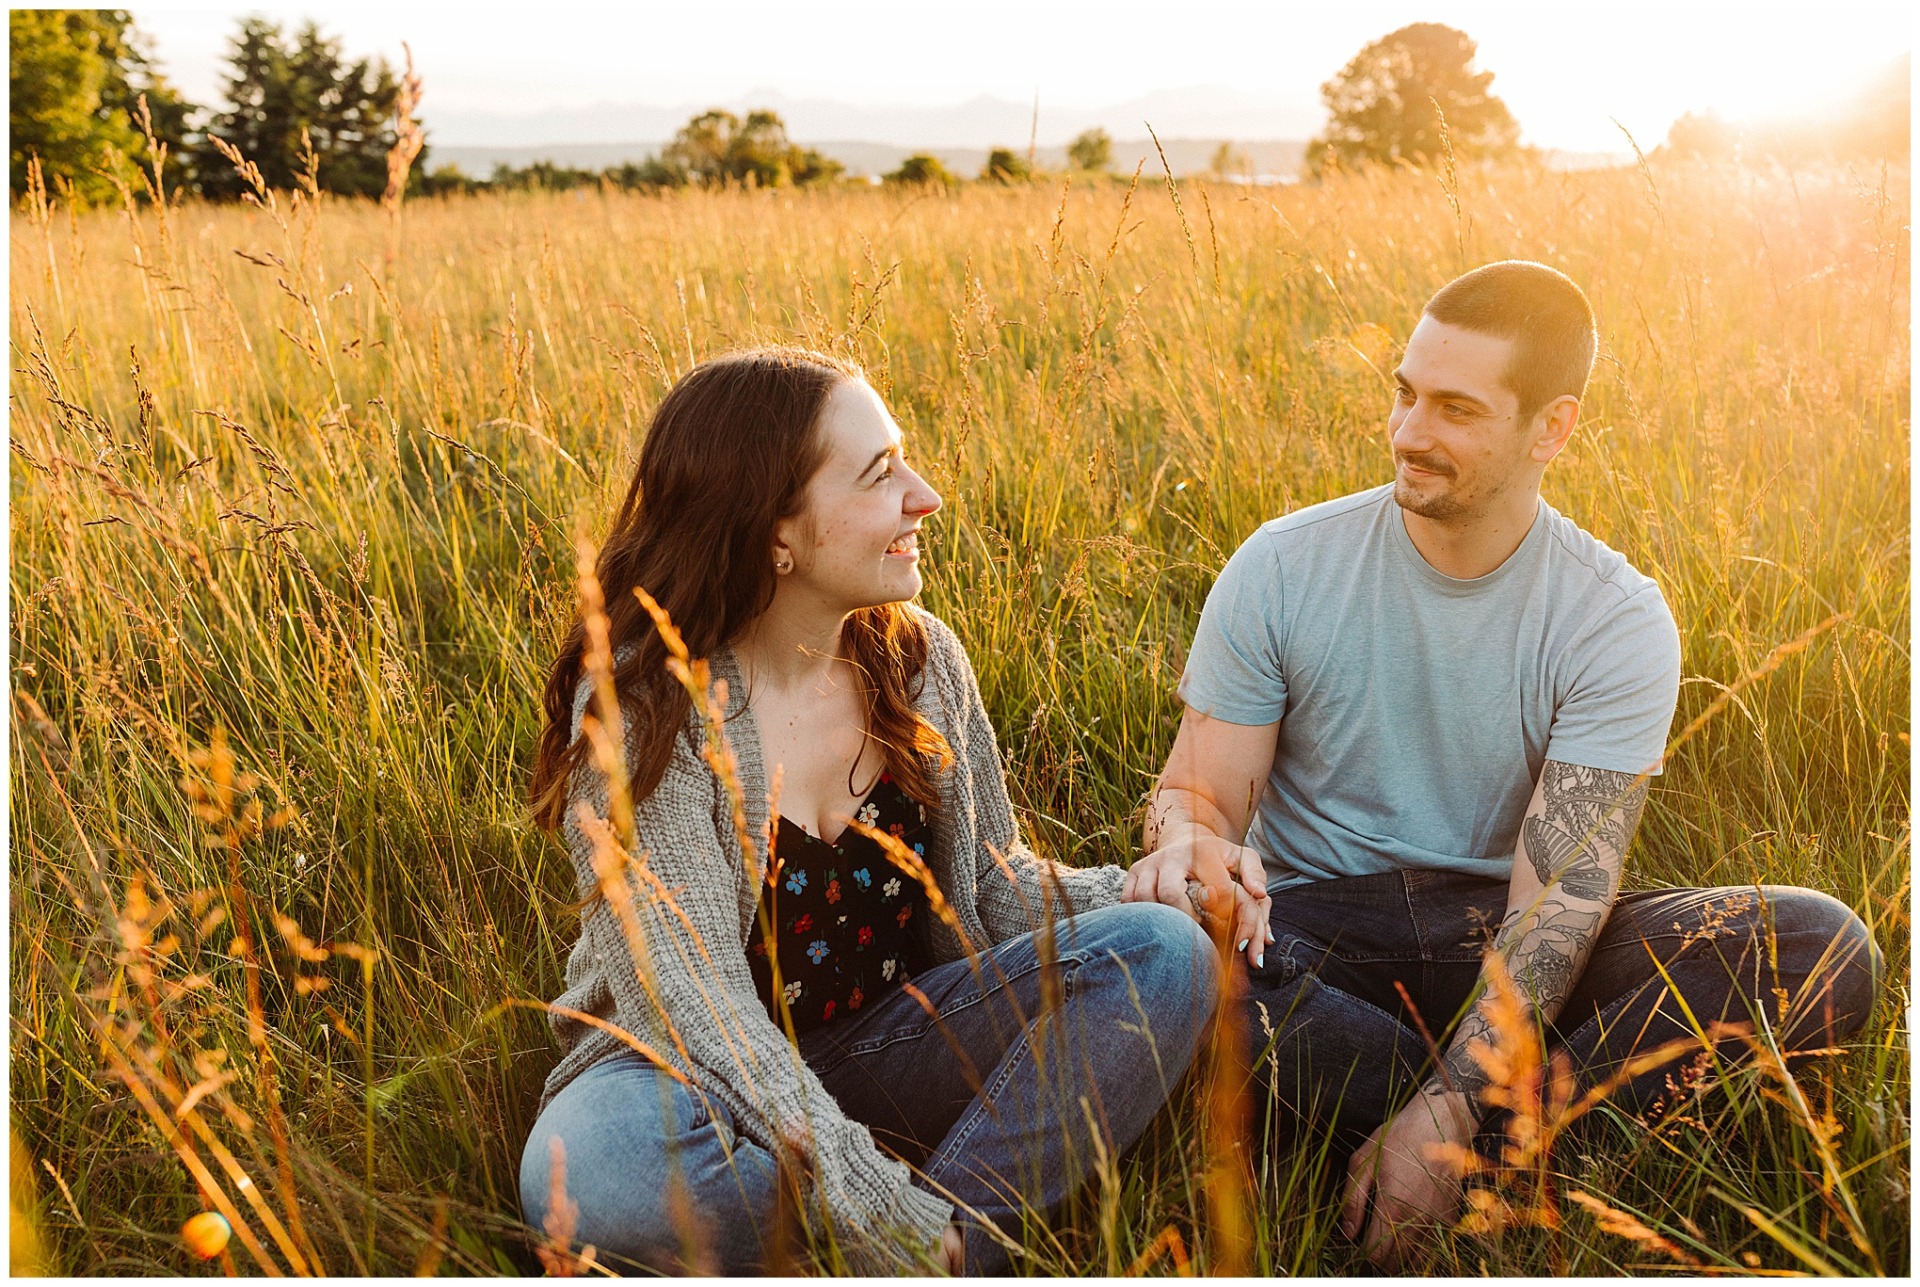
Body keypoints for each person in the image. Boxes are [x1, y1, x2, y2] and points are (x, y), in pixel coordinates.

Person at [1125, 261, 1881, 1268]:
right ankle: (1523, 1165)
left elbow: (1560, 901)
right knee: (1147, 957)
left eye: (1453, 409)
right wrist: (1186, 845)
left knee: (1817, 942)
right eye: (1403, 393)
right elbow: (1199, 792)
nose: (1407, 433)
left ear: (1551, 429)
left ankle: (1421, 1141)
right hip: (1311, 942)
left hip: (1510, 941)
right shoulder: (1282, 565)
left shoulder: (1612, 617)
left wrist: (1452, 1098)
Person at [519, 348, 1219, 1275]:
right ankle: (925, 1232)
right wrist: (881, 1206)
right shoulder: (650, 710)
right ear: (776, 530)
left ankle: (934, 1249)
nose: (925, 495)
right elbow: (699, 1011)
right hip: (682, 1082)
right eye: (881, 473)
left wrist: (1149, 886)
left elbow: (991, 884)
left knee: (1165, 958)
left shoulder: (919, 661)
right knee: (595, 1173)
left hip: (886, 1046)